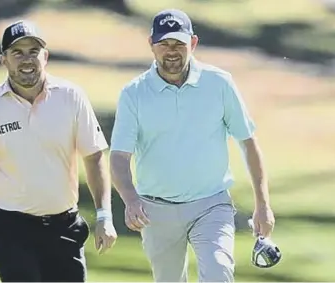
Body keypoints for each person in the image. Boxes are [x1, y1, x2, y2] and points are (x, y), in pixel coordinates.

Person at [109, 9, 275, 282]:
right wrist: (130, 199)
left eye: (179, 44)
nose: (171, 51)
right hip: (156, 210)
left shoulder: (219, 83)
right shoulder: (133, 93)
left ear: (193, 44)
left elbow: (248, 142)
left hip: (211, 204)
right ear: (151, 44)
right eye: (164, 44)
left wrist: (263, 205)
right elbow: (118, 157)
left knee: (219, 272)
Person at [0, 20, 117, 282]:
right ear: (3, 60)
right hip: (11, 229)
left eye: (33, 51)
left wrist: (104, 216)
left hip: (65, 226)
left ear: (46, 57)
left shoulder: (71, 97)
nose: (26, 60)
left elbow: (94, 156)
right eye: (17, 53)